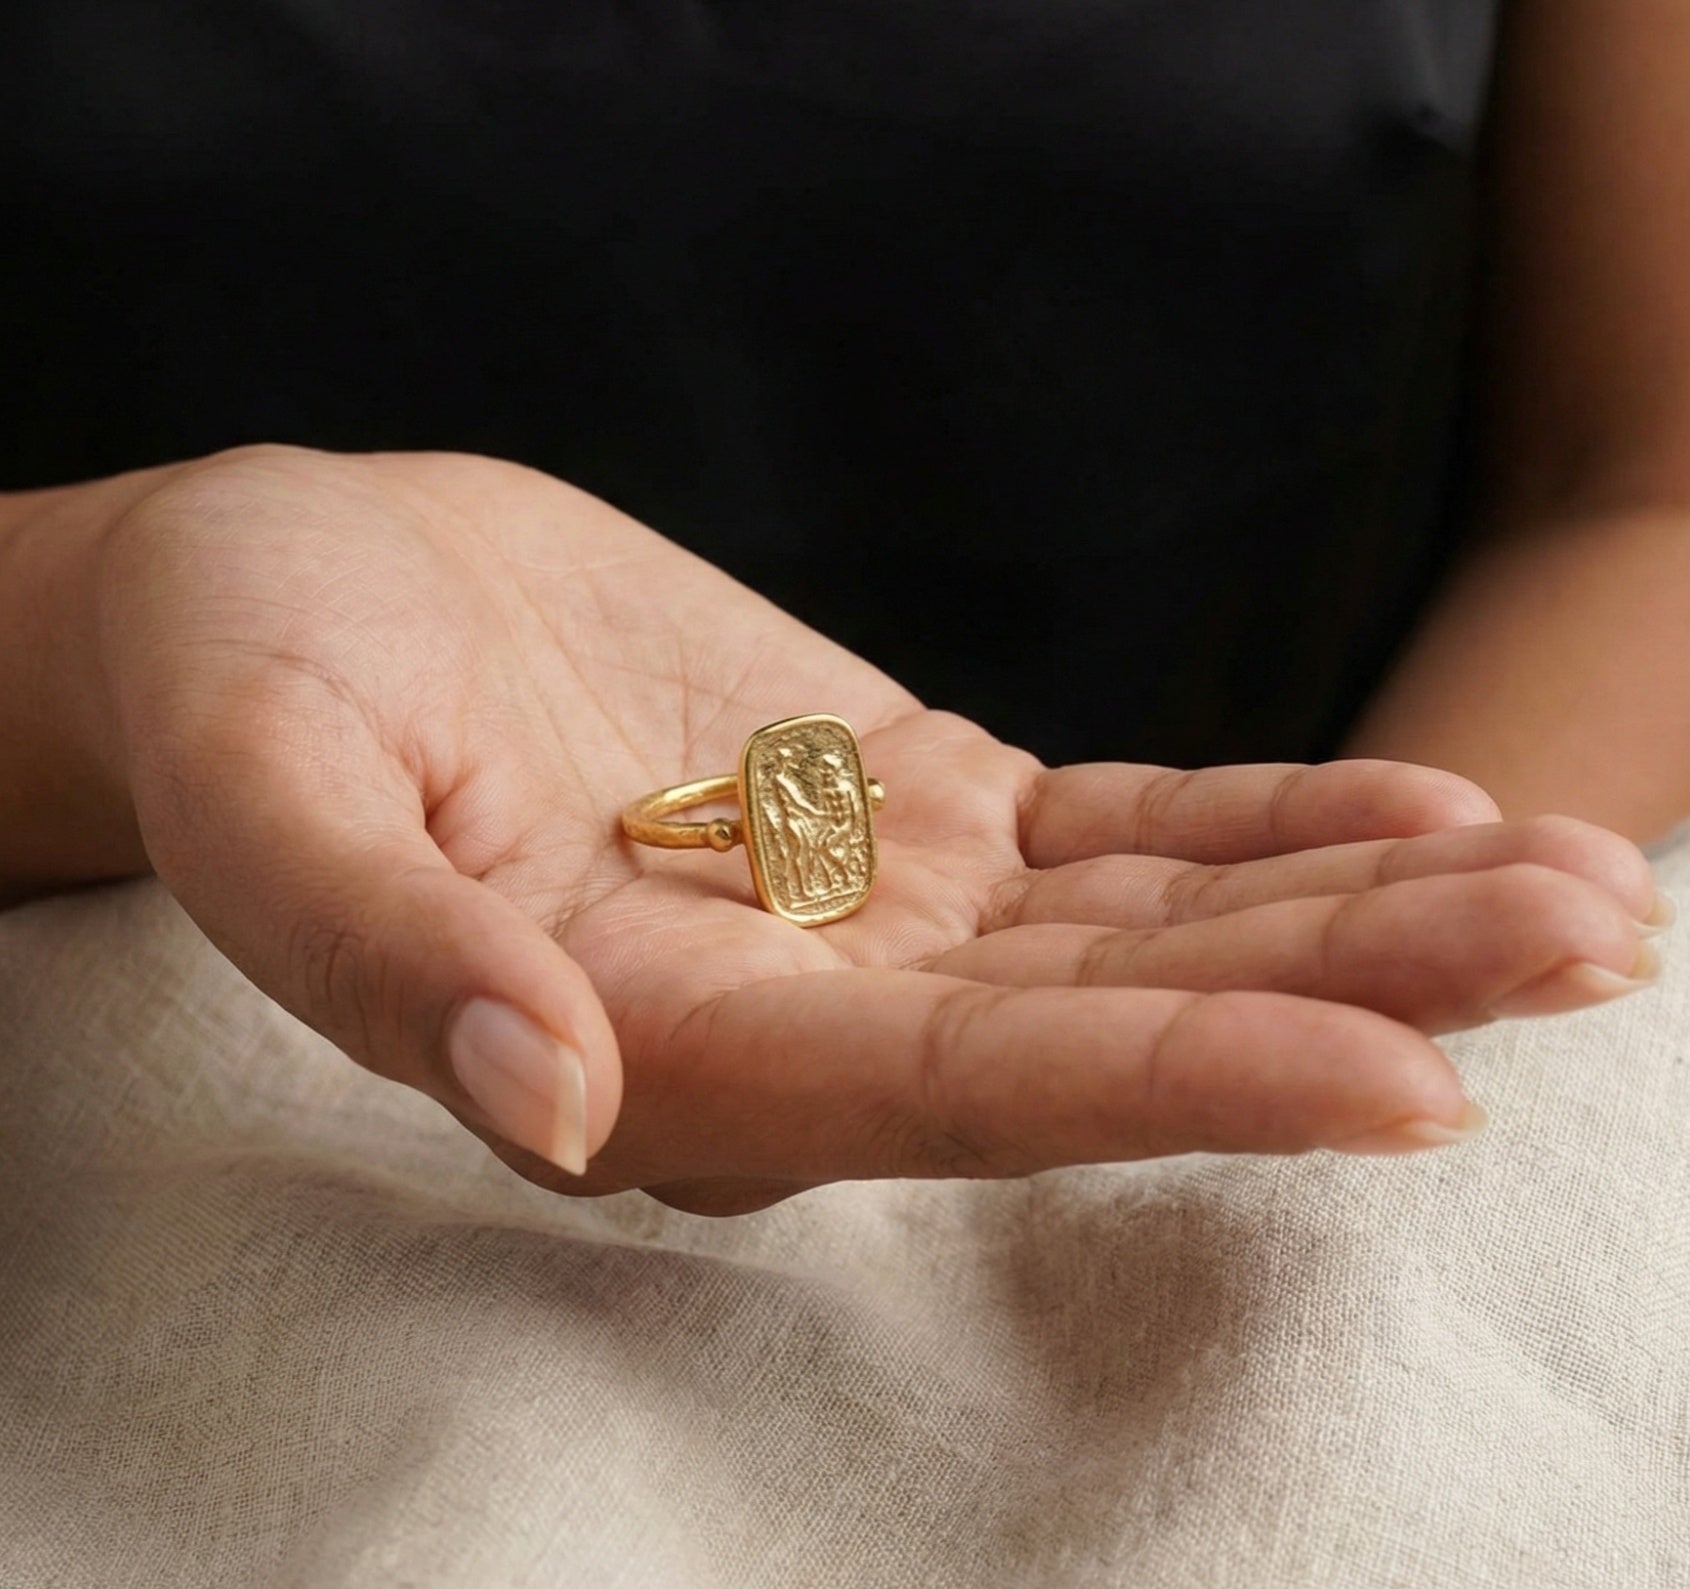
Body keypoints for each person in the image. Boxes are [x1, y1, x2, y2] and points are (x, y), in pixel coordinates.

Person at [0, 0, 1683, 1215]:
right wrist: (90, 612)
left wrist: (1404, 974)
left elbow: (1642, 488)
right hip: (128, 1077)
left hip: (1220, 981)